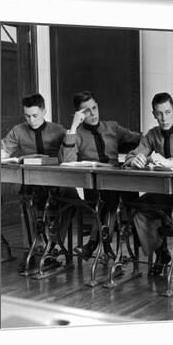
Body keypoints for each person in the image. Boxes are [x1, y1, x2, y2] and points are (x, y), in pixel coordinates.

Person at [124, 92, 173, 277]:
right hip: (161, 194)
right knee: (138, 210)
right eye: (159, 114)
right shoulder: (152, 135)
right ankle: (161, 252)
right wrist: (134, 160)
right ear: (153, 114)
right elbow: (132, 155)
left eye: (167, 112)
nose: (164, 118)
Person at [59, 90, 141, 259]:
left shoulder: (112, 127)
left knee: (111, 195)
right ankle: (102, 246)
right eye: (86, 111)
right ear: (79, 115)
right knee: (108, 197)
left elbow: (139, 139)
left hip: (120, 181)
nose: (93, 113)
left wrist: (138, 154)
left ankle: (92, 244)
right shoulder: (77, 134)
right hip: (94, 185)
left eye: (94, 108)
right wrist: (73, 127)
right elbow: (67, 161)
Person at [1, 93, 77, 269]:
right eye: (27, 116)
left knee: (71, 199)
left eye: (35, 115)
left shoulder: (58, 130)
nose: (31, 120)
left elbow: (68, 158)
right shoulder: (18, 130)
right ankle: (35, 249)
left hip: (56, 183)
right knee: (26, 202)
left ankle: (54, 246)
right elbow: (4, 150)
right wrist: (2, 154)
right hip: (32, 184)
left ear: (44, 111)